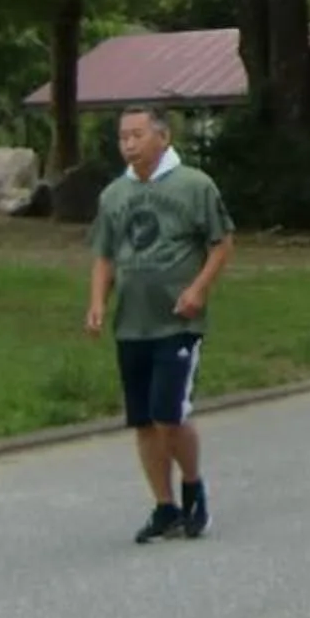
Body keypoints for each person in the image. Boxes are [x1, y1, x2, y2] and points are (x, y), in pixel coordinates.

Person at [85, 107, 235, 544]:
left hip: (177, 324)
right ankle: (164, 506)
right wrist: (97, 302)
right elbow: (105, 255)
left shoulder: (194, 186)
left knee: (170, 414)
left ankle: (192, 486)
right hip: (132, 323)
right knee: (145, 422)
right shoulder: (114, 194)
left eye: (137, 135)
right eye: (122, 137)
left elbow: (222, 243)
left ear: (162, 137)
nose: (128, 144)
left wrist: (198, 290)